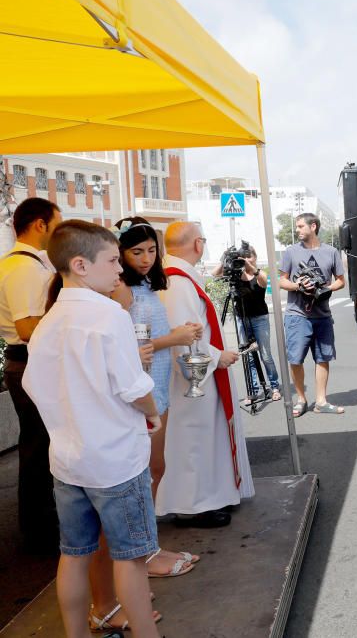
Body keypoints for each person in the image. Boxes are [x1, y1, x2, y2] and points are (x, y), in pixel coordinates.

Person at [22, 220, 160, 638]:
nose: (121, 269)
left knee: (74, 555)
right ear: (80, 264)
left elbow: (34, 384)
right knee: (131, 557)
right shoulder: (108, 315)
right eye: (114, 260)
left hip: (68, 461)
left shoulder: (48, 321)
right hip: (115, 458)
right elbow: (134, 387)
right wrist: (152, 413)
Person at [109, 216, 203, 576]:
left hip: (154, 385)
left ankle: (149, 547)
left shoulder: (147, 285)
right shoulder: (120, 289)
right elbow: (123, 346)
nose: (146, 258)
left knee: (154, 470)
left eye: (151, 250)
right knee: (146, 472)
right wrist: (174, 338)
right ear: (120, 252)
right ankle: (144, 552)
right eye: (137, 251)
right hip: (138, 392)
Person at [157, 221, 255, 528]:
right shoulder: (177, 282)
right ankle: (192, 504)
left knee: (203, 437)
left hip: (199, 371)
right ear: (199, 244)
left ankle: (209, 496)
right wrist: (217, 356)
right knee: (193, 439)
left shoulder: (180, 277)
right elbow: (185, 333)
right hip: (192, 376)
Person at [0, 197, 61, 552]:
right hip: (28, 360)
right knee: (39, 448)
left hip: (25, 362)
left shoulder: (22, 264)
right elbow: (26, 327)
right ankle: (40, 531)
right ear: (40, 224)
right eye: (57, 222)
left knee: (38, 445)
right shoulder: (23, 268)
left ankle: (40, 526)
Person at [279, 212, 346, 417]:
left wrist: (328, 289)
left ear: (313, 226)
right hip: (297, 315)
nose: (297, 230)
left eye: (300, 226)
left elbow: (341, 280)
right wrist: (298, 286)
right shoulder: (291, 252)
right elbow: (282, 281)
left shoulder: (331, 252)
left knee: (323, 358)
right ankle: (301, 399)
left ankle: (321, 401)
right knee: (295, 359)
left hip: (322, 315)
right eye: (297, 227)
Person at [211, 246, 281, 404]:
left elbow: (263, 280)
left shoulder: (259, 274)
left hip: (260, 318)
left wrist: (250, 267)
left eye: (249, 256)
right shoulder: (236, 274)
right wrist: (225, 258)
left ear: (255, 257)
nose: (246, 259)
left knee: (265, 355)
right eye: (243, 257)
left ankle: (274, 386)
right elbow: (214, 274)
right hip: (241, 318)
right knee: (248, 355)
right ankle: (253, 390)